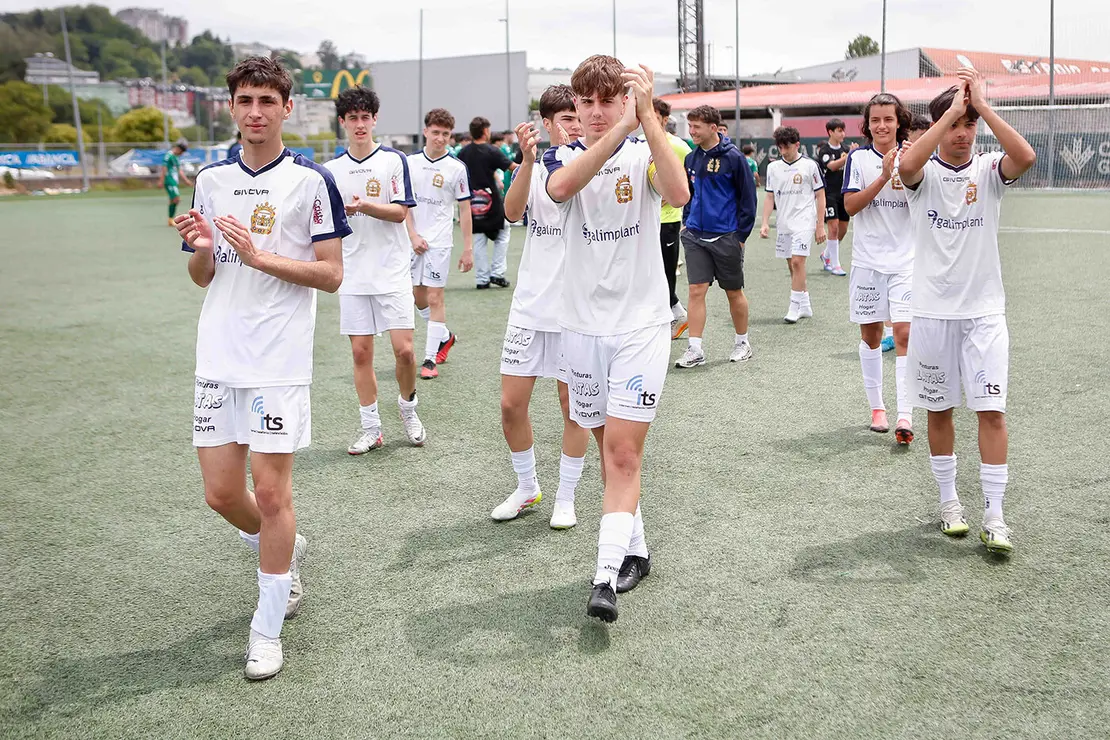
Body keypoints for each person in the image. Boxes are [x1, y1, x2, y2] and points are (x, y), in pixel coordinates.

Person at [175, 56, 349, 680]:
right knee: (221, 493)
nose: (255, 112)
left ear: (285, 107)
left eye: (266, 102)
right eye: (245, 100)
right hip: (218, 354)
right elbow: (203, 276)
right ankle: (282, 550)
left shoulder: (311, 182)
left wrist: (261, 256)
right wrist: (201, 249)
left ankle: (268, 627)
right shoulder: (209, 180)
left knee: (273, 493)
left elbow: (331, 275)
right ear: (232, 106)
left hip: (277, 359)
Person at [543, 55, 689, 623]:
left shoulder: (651, 149)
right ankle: (636, 549)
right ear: (575, 109)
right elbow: (560, 189)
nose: (598, 113)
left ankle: (603, 576)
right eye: (588, 103)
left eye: (610, 100)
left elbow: (678, 190)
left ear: (625, 101)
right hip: (581, 327)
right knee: (610, 450)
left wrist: (646, 121)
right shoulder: (563, 154)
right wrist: (624, 126)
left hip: (641, 326)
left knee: (625, 452)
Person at [898, 69, 1036, 554]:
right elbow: (908, 165)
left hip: (984, 314)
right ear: (939, 125)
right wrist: (951, 111)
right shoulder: (924, 174)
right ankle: (949, 504)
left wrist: (984, 107)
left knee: (991, 411)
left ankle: (995, 516)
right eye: (956, 124)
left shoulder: (989, 170)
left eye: (969, 125)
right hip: (934, 314)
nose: (962, 133)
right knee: (939, 411)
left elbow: (1026, 156)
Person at [490, 85, 591, 529]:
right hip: (531, 306)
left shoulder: (591, 165)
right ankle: (528, 487)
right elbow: (512, 214)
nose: (574, 124)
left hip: (575, 310)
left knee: (574, 407)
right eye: (566, 118)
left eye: (578, 116)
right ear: (546, 123)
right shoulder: (533, 167)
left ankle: (565, 497)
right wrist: (527, 163)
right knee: (511, 405)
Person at [324, 86, 427, 454]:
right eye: (352, 118)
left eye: (365, 117)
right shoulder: (331, 171)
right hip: (352, 272)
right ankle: (371, 428)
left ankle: (408, 408)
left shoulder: (393, 161)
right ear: (343, 123)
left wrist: (366, 205)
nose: (360, 124)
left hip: (392, 270)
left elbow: (400, 211)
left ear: (375, 119)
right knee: (361, 354)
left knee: (404, 352)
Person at [842, 93, 914, 441]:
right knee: (871, 337)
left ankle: (905, 414)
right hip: (868, 262)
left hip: (906, 262)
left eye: (888, 119)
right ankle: (878, 408)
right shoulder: (858, 158)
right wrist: (884, 176)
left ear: (899, 120)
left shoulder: (915, 154)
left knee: (904, 333)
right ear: (867, 124)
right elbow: (851, 206)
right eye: (875, 120)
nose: (882, 126)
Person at [674, 104, 757, 368]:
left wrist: (740, 236)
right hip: (696, 236)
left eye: (696, 127)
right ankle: (695, 348)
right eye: (690, 126)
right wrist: (687, 222)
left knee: (733, 292)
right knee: (696, 290)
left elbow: (749, 200)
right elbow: (690, 194)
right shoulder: (691, 158)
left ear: (713, 127)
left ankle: (742, 342)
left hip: (727, 237)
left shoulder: (734, 158)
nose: (692, 132)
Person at [406, 108, 475, 380]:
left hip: (440, 243)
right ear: (425, 132)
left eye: (445, 134)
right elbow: (402, 205)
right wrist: (412, 236)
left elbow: (466, 209)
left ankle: (429, 359)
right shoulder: (409, 163)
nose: (440, 138)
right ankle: (445, 337)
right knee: (416, 297)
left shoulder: (457, 168)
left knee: (435, 298)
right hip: (412, 241)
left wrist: (467, 248)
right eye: (435, 133)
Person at [759, 126, 826, 324]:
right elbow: (769, 197)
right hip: (784, 223)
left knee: (798, 262)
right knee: (792, 265)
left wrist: (819, 225)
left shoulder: (809, 166)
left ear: (797, 145)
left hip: (804, 221)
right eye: (780, 147)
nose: (783, 150)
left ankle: (793, 307)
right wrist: (764, 223)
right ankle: (805, 305)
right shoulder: (773, 168)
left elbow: (820, 195)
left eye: (787, 146)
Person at [881, 114, 932, 352]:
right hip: (897, 234)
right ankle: (892, 332)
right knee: (897, 282)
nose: (925, 142)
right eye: (920, 137)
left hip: (925, 229)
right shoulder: (896, 158)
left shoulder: (932, 157)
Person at [650, 97, 693, 340]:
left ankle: (674, 314)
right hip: (643, 221)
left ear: (665, 120)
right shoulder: (639, 144)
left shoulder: (677, 146)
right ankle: (672, 313)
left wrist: (675, 192)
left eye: (654, 117)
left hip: (667, 220)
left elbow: (692, 177)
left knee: (665, 273)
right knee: (648, 273)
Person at [458, 117, 517, 289]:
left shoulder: (463, 153)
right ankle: (497, 273)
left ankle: (481, 279)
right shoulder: (492, 151)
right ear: (485, 131)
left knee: (478, 239)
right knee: (504, 232)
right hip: (492, 202)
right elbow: (513, 167)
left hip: (470, 203)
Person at [816, 118, 853, 276]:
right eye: (839, 130)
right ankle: (834, 264)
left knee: (843, 229)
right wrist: (848, 156)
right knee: (833, 227)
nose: (842, 133)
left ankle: (826, 255)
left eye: (843, 130)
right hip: (829, 193)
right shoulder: (825, 150)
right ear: (830, 132)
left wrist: (852, 155)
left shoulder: (846, 148)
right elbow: (831, 166)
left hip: (843, 193)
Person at [162, 139, 192, 226]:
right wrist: (162, 180)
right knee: (176, 199)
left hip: (174, 181)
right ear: (179, 149)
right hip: (169, 180)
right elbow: (164, 167)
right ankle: (171, 219)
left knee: (173, 200)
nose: (182, 154)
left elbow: (180, 171)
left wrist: (186, 180)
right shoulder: (169, 155)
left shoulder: (175, 157)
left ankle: (170, 219)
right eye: (182, 152)